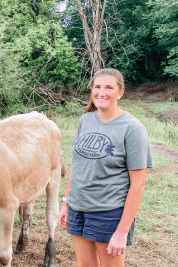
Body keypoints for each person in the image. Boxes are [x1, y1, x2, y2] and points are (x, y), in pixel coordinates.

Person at [58, 68, 153, 267]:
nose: (102, 92)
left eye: (109, 87)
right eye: (97, 87)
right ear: (91, 89)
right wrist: (66, 202)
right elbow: (77, 165)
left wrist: (121, 232)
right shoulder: (86, 120)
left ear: (120, 93)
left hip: (108, 213)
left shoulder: (132, 129)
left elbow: (138, 185)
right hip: (78, 209)